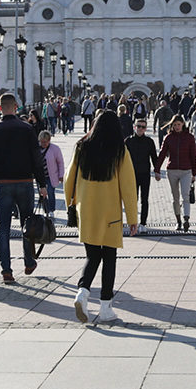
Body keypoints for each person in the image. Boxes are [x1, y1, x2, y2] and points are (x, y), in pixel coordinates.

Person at [64, 109, 139, 323]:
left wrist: (70, 201)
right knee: (109, 258)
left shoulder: (81, 147)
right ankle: (106, 307)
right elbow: (128, 186)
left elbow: (69, 178)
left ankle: (83, 292)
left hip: (86, 210)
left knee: (92, 255)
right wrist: (133, 218)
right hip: (110, 213)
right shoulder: (119, 151)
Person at [0, 92, 48, 282]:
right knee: (27, 223)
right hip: (25, 182)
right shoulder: (26, 129)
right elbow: (37, 159)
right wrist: (42, 184)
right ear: (16, 107)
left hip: (3, 184)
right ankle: (28, 261)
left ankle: (6, 270)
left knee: (4, 227)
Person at [154, 113, 196, 231]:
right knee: (175, 197)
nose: (177, 127)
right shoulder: (168, 138)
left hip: (186, 170)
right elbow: (162, 154)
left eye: (179, 124)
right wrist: (157, 170)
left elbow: (193, 155)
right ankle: (178, 221)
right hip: (172, 170)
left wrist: (194, 173)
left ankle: (186, 218)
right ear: (172, 126)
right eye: (174, 125)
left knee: (186, 195)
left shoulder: (189, 137)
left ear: (183, 124)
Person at [124, 117, 157, 226]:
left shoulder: (149, 142)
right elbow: (122, 158)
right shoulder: (128, 141)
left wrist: (157, 171)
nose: (140, 129)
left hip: (145, 174)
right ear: (134, 127)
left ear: (145, 129)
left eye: (143, 127)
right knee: (133, 200)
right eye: (138, 126)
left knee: (144, 199)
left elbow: (154, 157)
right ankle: (132, 222)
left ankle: (143, 223)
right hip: (131, 175)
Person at [38, 129, 64, 214]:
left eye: (45, 142)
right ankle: (45, 208)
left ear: (49, 141)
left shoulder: (55, 149)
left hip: (51, 175)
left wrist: (61, 175)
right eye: (41, 142)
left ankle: (51, 209)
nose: (43, 144)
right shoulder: (36, 149)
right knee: (42, 193)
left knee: (50, 191)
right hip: (40, 175)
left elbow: (60, 162)